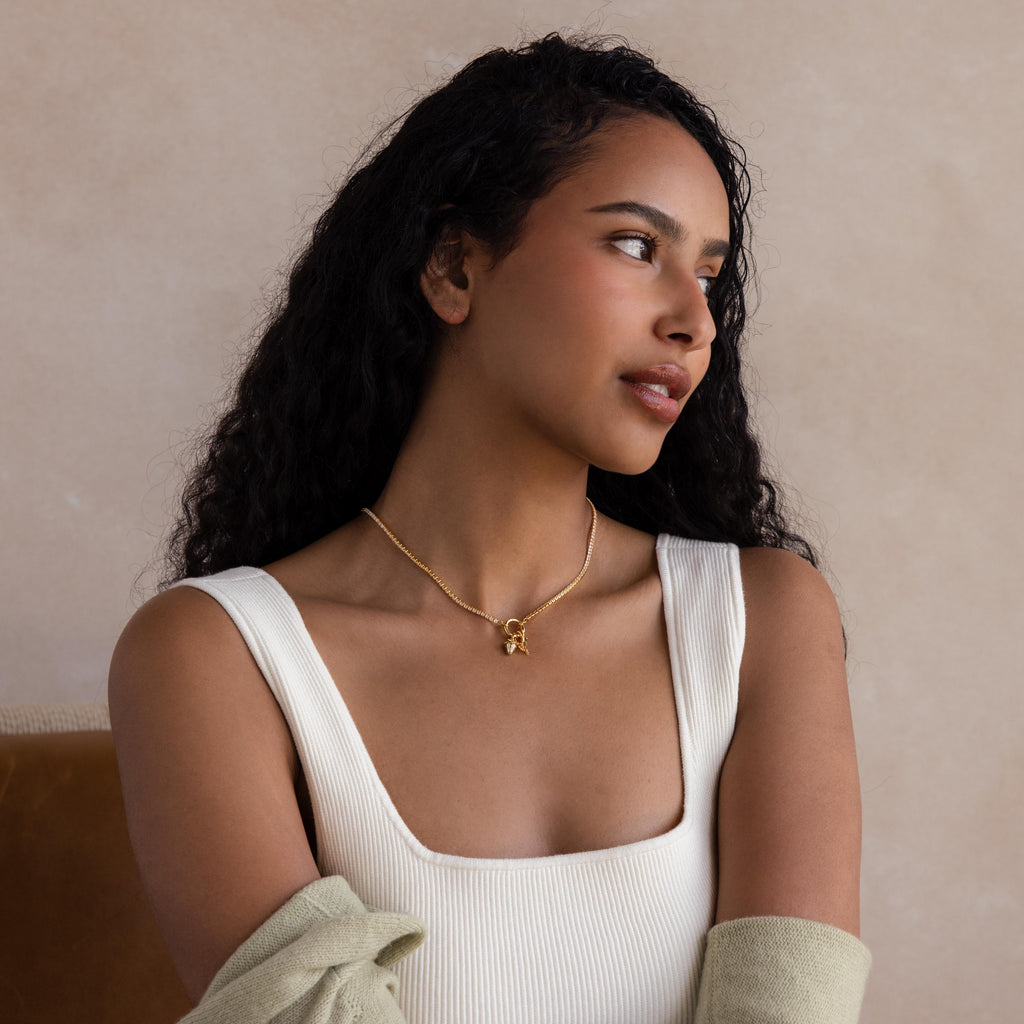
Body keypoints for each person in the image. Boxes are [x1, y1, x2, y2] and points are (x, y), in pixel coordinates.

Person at [109, 33, 868, 1024]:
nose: (695, 319)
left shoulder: (762, 619)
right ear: (454, 269)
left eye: (711, 275)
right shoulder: (216, 654)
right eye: (637, 247)